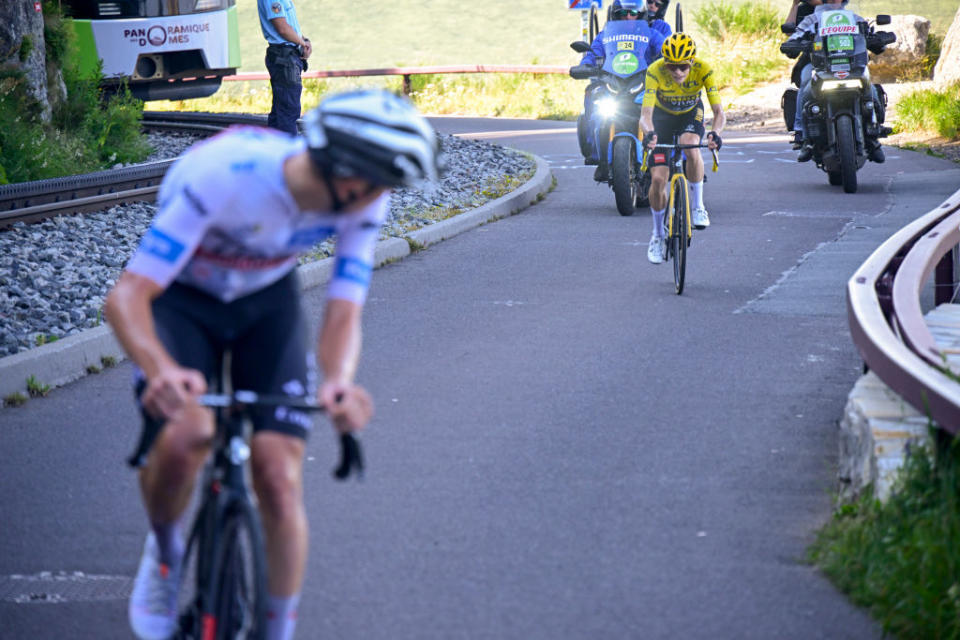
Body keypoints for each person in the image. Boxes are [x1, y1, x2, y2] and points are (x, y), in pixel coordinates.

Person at [105, 89, 443, 640]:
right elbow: (127, 297)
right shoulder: (225, 176)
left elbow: (343, 307)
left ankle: (277, 629)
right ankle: (165, 553)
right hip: (182, 298)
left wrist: (338, 382)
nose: (382, 199)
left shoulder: (362, 197)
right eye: (380, 185)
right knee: (189, 433)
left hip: (266, 300)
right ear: (345, 174)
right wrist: (159, 369)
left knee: (279, 477)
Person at [640, 33, 725, 264]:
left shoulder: (704, 69)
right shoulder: (654, 71)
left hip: (691, 113)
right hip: (662, 118)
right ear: (665, 63)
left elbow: (719, 113)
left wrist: (716, 134)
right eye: (672, 67)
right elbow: (645, 116)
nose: (678, 72)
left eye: (683, 67)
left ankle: (698, 207)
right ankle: (657, 235)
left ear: (692, 62)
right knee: (658, 179)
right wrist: (649, 133)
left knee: (690, 144)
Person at [780, 0, 886, 163]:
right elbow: (793, 37)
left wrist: (879, 40)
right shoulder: (812, 18)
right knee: (806, 80)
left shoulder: (854, 17)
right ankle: (802, 134)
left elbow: (870, 35)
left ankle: (873, 133)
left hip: (851, 64)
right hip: (819, 64)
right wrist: (792, 44)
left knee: (869, 85)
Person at [577, 0, 666, 181]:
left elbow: (666, 51)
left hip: (644, 85)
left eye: (632, 13)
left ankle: (672, 155)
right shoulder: (604, 36)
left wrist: (668, 62)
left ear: (641, 15)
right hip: (613, 85)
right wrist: (585, 66)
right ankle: (598, 156)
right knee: (596, 106)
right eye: (622, 13)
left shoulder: (652, 34)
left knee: (665, 109)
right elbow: (591, 55)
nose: (627, 16)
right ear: (614, 15)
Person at [258, 0, 312, 135]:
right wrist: (302, 44)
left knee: (280, 111)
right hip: (284, 58)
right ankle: (289, 151)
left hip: (287, 56)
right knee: (288, 111)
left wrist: (304, 39)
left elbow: (290, 25)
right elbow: (282, 28)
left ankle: (274, 150)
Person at [782, 0, 822, 148]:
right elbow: (790, 32)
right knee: (806, 80)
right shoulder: (805, 12)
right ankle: (799, 130)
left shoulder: (840, 9)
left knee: (864, 77)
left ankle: (873, 123)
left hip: (845, 59)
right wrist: (794, 5)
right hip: (815, 60)